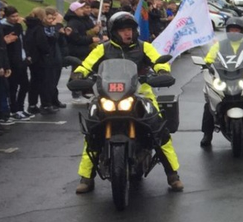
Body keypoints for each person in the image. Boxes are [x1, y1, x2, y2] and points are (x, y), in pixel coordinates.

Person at [72, 11, 183, 192]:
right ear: (114, 32)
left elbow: (158, 61)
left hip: (141, 94)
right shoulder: (103, 49)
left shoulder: (144, 47)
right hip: (108, 95)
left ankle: (173, 175)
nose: (127, 33)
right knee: (92, 132)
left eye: (130, 29)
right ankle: (86, 177)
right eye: (123, 30)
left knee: (159, 130)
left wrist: (162, 71)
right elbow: (86, 64)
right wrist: (79, 74)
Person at [199, 14, 243, 148]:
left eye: (236, 30)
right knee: (209, 103)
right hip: (225, 77)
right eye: (231, 30)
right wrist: (205, 64)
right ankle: (207, 134)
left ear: (242, 31)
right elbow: (209, 59)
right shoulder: (219, 45)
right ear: (227, 31)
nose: (234, 32)